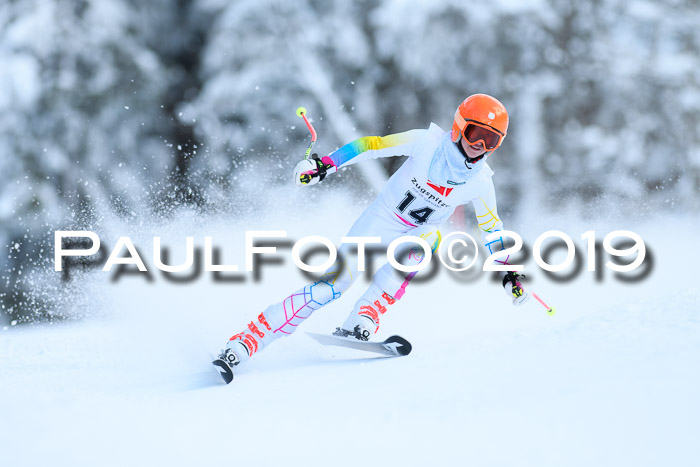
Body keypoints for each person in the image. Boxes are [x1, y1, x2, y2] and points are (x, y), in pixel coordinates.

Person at [214, 94, 530, 378]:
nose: (481, 146)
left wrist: (508, 272)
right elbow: (372, 145)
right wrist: (325, 165)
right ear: (460, 127)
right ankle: (249, 339)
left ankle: (364, 316)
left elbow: (492, 229)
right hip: (381, 220)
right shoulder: (426, 142)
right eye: (477, 134)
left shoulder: (481, 182)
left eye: (492, 140)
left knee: (428, 241)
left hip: (417, 232)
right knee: (331, 287)